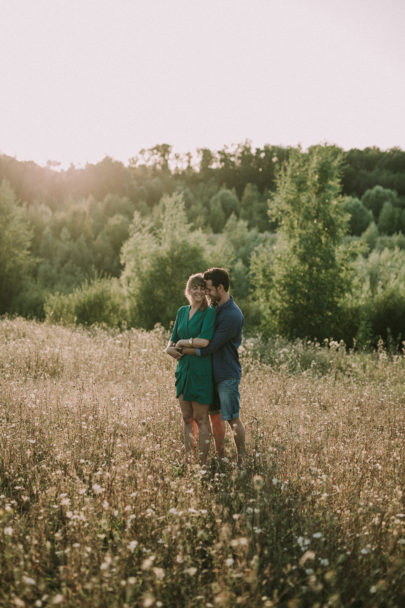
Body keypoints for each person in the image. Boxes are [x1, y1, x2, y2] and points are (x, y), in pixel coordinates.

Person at [180, 268, 246, 467]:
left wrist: (183, 349)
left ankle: (242, 459)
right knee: (213, 417)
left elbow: (211, 345)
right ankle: (219, 456)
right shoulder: (216, 308)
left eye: (209, 289)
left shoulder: (232, 315)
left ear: (220, 287)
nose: (206, 293)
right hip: (210, 373)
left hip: (226, 374)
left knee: (232, 418)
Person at [166, 273, 216, 465]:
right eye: (195, 287)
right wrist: (169, 348)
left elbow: (204, 342)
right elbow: (171, 340)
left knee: (201, 418)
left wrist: (182, 343)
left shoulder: (209, 312)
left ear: (206, 292)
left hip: (201, 370)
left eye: (202, 288)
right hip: (183, 371)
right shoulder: (181, 311)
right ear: (188, 289)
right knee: (187, 417)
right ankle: (188, 458)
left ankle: (202, 463)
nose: (199, 291)